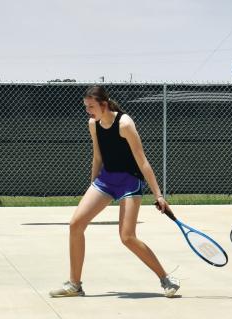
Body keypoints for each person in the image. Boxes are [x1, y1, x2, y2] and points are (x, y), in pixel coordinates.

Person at [49, 85, 180, 298]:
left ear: (104, 104)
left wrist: (158, 195)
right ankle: (74, 285)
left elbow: (143, 161)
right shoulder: (93, 124)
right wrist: (92, 185)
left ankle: (166, 278)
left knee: (127, 237)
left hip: (129, 182)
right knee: (75, 225)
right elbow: (98, 157)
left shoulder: (125, 124)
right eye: (86, 106)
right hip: (106, 180)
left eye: (91, 106)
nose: (88, 111)